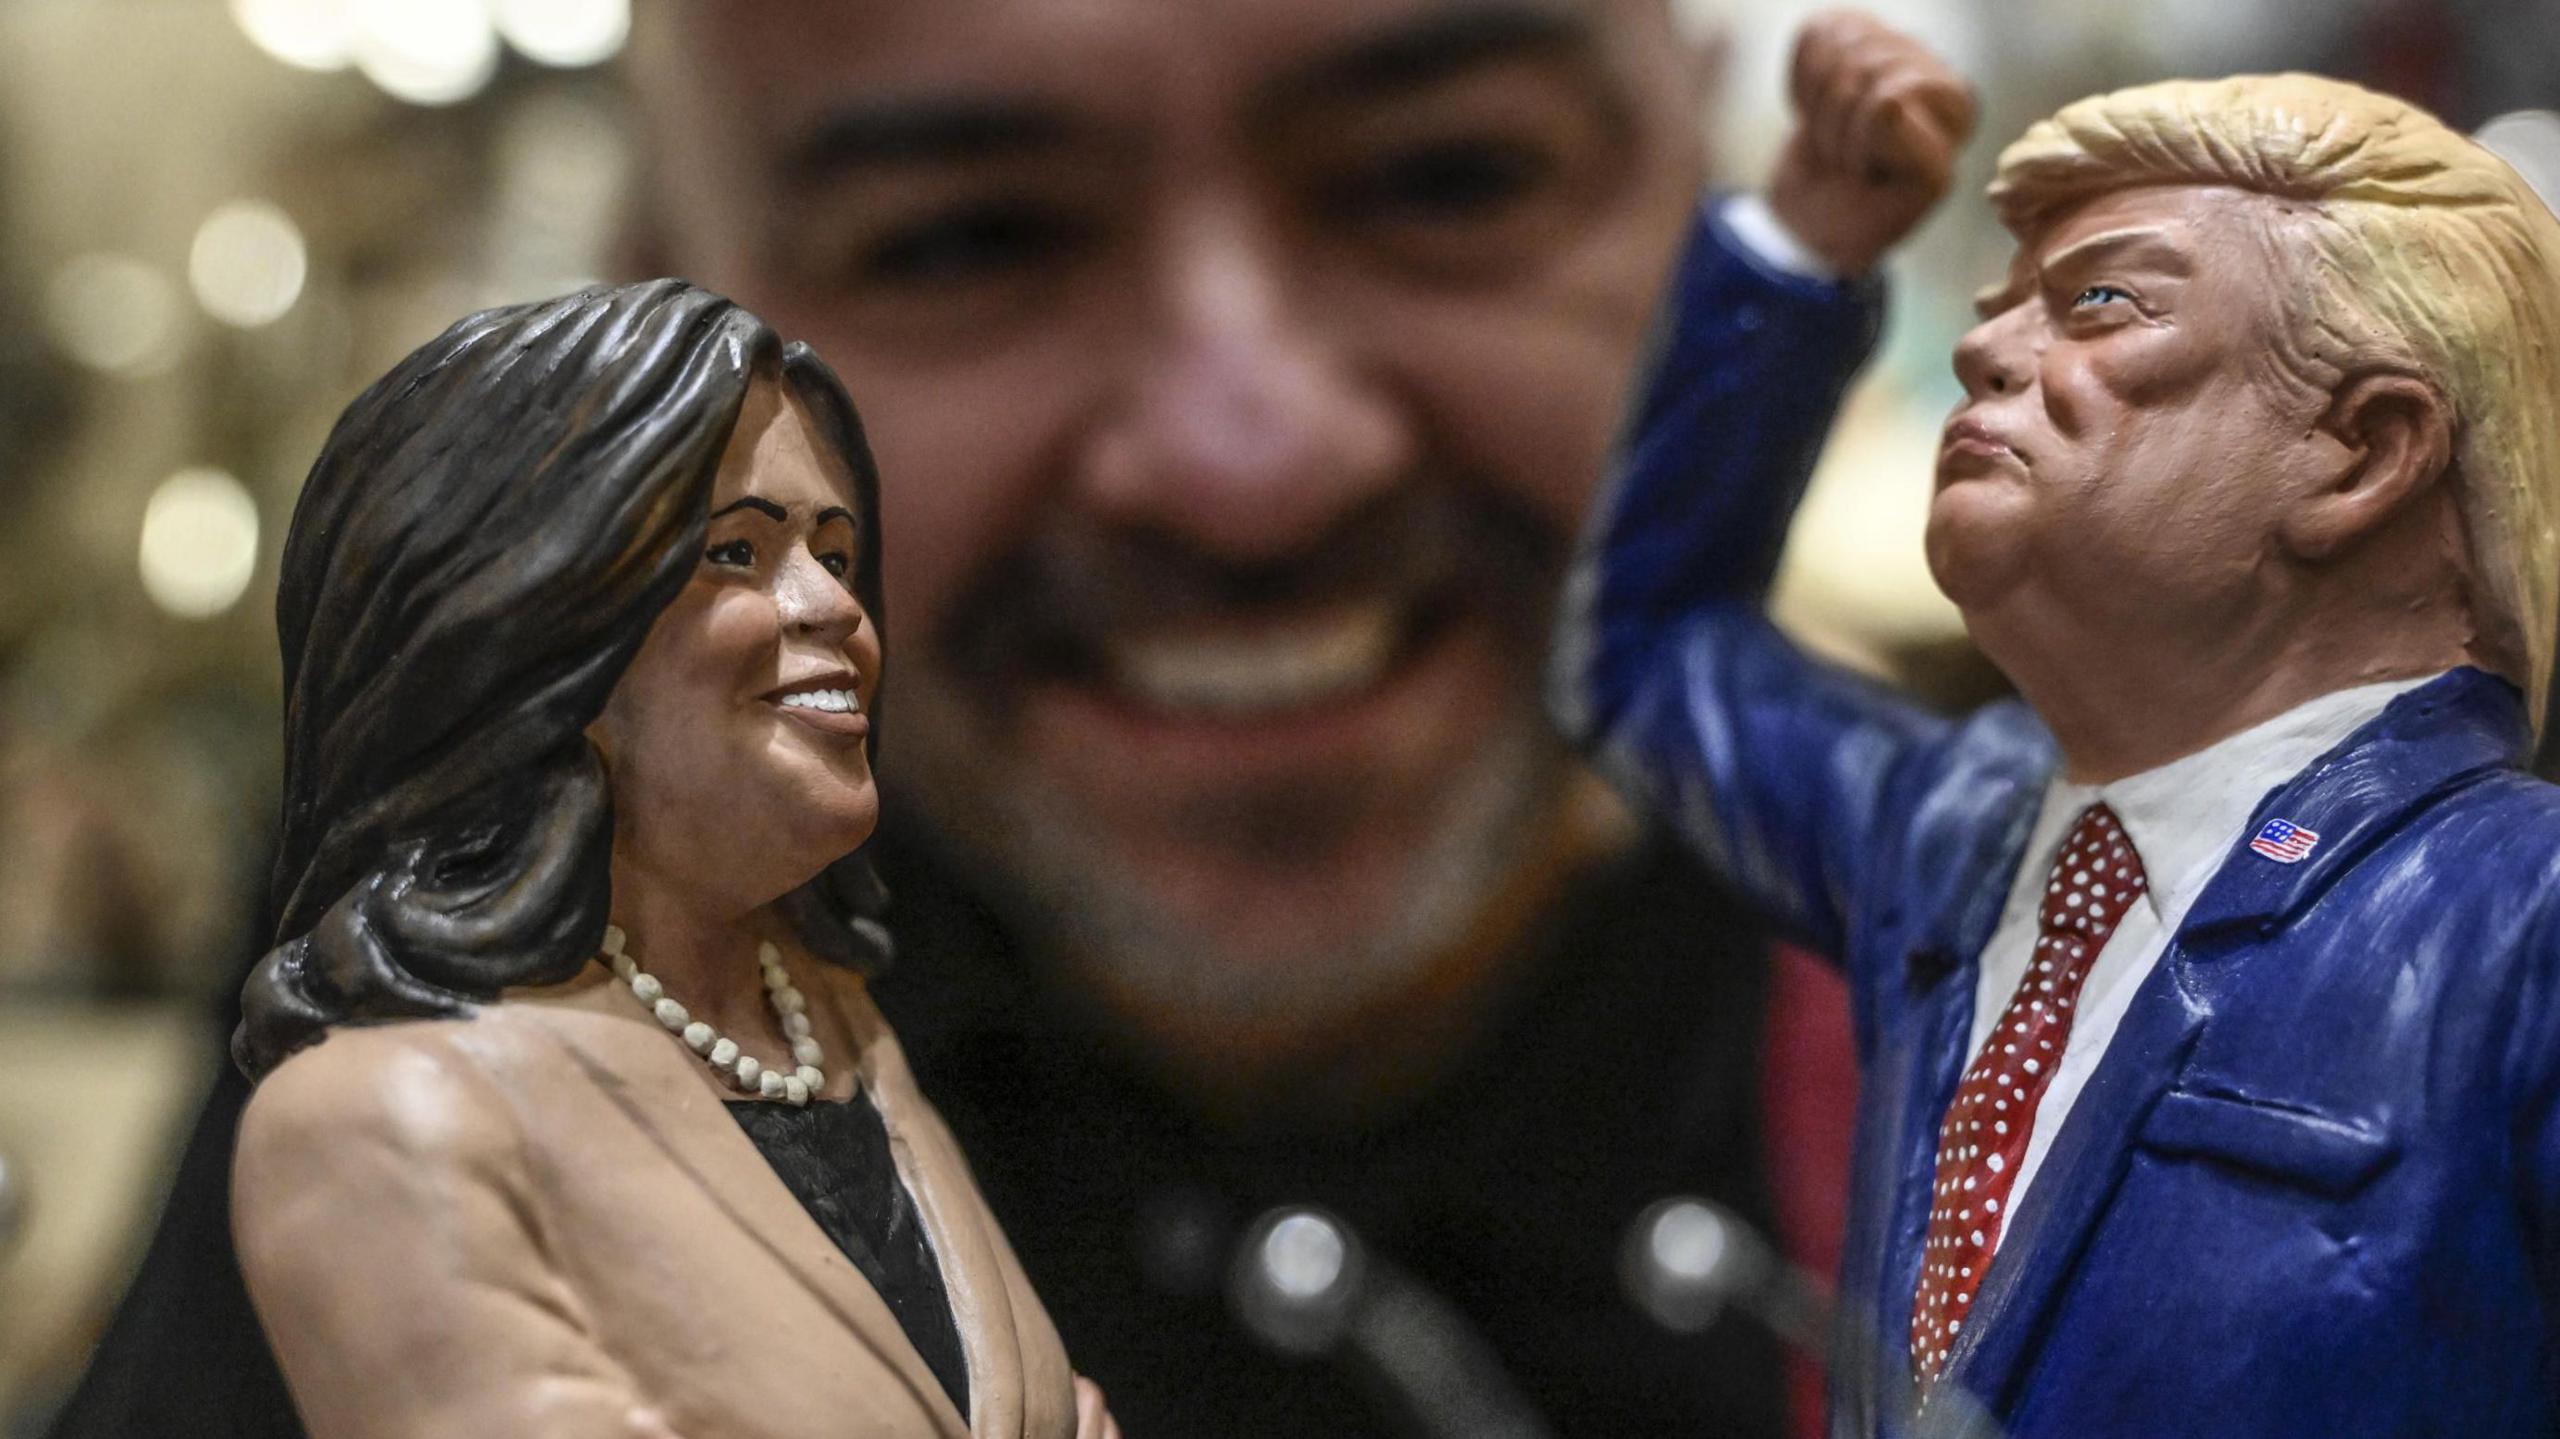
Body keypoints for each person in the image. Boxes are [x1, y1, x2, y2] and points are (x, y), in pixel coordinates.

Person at [50, 11, 1966, 1437]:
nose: (1249, 465)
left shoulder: (2089, 977)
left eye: (1447, 177)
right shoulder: (458, 1009)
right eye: (964, 238)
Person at [1557, 72, 2560, 1434]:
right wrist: (1802, 250)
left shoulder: (2515, 920)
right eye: (1995, 309)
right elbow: (1649, 651)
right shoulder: (1954, 833)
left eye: (2099, 303)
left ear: (2362, 448)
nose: (1986, 352)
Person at [224, 280, 1114, 1439]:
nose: (831, 608)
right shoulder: (392, 1116)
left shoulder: (843, 1035)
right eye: (734, 552)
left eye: (836, 556)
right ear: (532, 631)